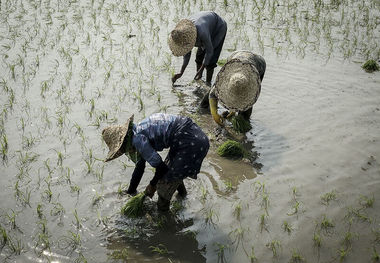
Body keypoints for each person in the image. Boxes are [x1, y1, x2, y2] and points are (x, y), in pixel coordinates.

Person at [102, 113, 209, 211]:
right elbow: (140, 166)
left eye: (122, 148)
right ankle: (183, 197)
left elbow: (162, 168)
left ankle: (165, 224)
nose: (124, 151)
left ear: (124, 141)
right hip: (190, 134)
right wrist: (131, 192)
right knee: (173, 171)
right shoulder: (138, 130)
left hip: (190, 142)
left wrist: (152, 185)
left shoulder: (137, 140)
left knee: (163, 188)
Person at [169, 11, 227, 87]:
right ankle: (198, 79)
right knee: (199, 58)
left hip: (218, 28)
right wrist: (181, 73)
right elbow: (187, 54)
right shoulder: (184, 35)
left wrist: (202, 68)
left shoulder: (202, 32)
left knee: (210, 62)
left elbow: (210, 51)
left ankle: (208, 84)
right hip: (206, 26)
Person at [208, 50, 266, 125]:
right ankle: (204, 106)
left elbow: (252, 97)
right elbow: (212, 95)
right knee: (219, 85)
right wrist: (215, 114)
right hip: (235, 57)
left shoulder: (254, 76)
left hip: (259, 63)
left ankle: (244, 118)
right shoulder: (227, 76)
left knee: (250, 98)